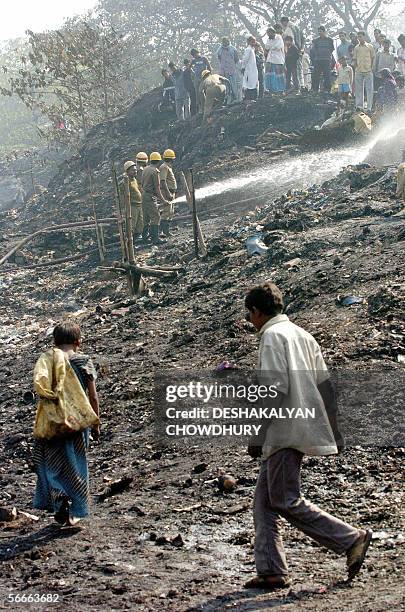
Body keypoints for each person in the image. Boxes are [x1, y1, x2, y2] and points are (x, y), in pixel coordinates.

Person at [243, 282, 372, 591]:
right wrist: (335, 430)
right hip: (299, 428)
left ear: (256, 312)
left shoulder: (272, 337)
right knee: (265, 502)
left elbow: (273, 390)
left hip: (284, 431)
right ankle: (272, 569)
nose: (251, 323)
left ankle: (350, 539)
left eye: (250, 316)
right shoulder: (303, 336)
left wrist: (257, 433)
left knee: (284, 499)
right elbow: (325, 387)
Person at [33, 322, 100, 527]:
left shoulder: (47, 360)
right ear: (78, 342)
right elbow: (93, 397)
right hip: (76, 423)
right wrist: (95, 422)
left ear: (55, 341)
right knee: (77, 465)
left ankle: (59, 496)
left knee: (52, 464)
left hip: (52, 423)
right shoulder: (83, 361)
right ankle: (77, 509)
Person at [141, 152, 169, 245]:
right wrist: (163, 201)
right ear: (159, 161)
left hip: (144, 195)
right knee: (156, 216)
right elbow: (157, 188)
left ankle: (145, 237)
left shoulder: (145, 169)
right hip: (149, 196)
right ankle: (155, 239)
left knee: (146, 218)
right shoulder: (155, 171)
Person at [120, 160, 144, 241]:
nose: (135, 171)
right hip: (132, 205)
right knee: (132, 224)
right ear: (127, 171)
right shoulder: (125, 182)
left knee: (140, 222)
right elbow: (123, 196)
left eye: (135, 170)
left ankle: (137, 238)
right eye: (133, 170)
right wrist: (125, 208)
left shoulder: (134, 179)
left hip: (139, 204)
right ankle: (130, 240)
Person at [352, 31, 375, 110]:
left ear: (364, 37)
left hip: (368, 70)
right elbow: (354, 59)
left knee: (369, 89)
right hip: (359, 70)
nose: (359, 38)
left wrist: (371, 67)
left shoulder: (370, 46)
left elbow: (373, 57)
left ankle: (369, 107)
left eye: (360, 36)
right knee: (358, 89)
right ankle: (359, 106)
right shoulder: (356, 48)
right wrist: (356, 68)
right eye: (358, 37)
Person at [280, 16, 305, 87]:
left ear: (284, 22)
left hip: (292, 51)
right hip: (298, 50)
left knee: (293, 71)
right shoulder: (296, 27)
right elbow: (303, 38)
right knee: (298, 69)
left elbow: (287, 39)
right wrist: (302, 48)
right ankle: (301, 85)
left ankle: (296, 86)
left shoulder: (289, 28)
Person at [159, 149, 177, 237]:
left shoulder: (167, 166)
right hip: (167, 192)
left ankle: (166, 231)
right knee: (166, 212)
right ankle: (161, 232)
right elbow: (162, 181)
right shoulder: (164, 167)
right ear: (172, 159)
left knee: (170, 212)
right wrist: (168, 193)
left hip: (171, 192)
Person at [311, 26, 335, 92]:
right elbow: (314, 49)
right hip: (318, 60)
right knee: (316, 75)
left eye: (321, 31)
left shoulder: (330, 40)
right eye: (318, 31)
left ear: (324, 32)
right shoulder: (316, 40)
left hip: (326, 59)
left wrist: (327, 54)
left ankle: (327, 89)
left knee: (327, 75)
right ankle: (315, 89)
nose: (319, 33)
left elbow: (331, 49)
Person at [217, 37, 240, 102]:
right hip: (223, 71)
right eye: (223, 42)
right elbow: (219, 58)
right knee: (225, 86)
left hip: (231, 70)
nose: (225, 43)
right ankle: (227, 99)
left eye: (226, 41)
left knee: (233, 85)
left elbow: (236, 59)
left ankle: (235, 98)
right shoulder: (220, 49)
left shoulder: (233, 49)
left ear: (228, 41)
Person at [264, 27, 285, 93]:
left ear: (273, 32)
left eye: (270, 33)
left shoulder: (279, 37)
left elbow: (278, 46)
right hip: (270, 59)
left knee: (279, 74)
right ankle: (271, 89)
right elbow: (266, 47)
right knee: (269, 74)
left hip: (278, 59)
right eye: (268, 33)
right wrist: (271, 47)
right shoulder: (268, 39)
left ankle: (280, 89)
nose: (269, 35)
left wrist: (271, 47)